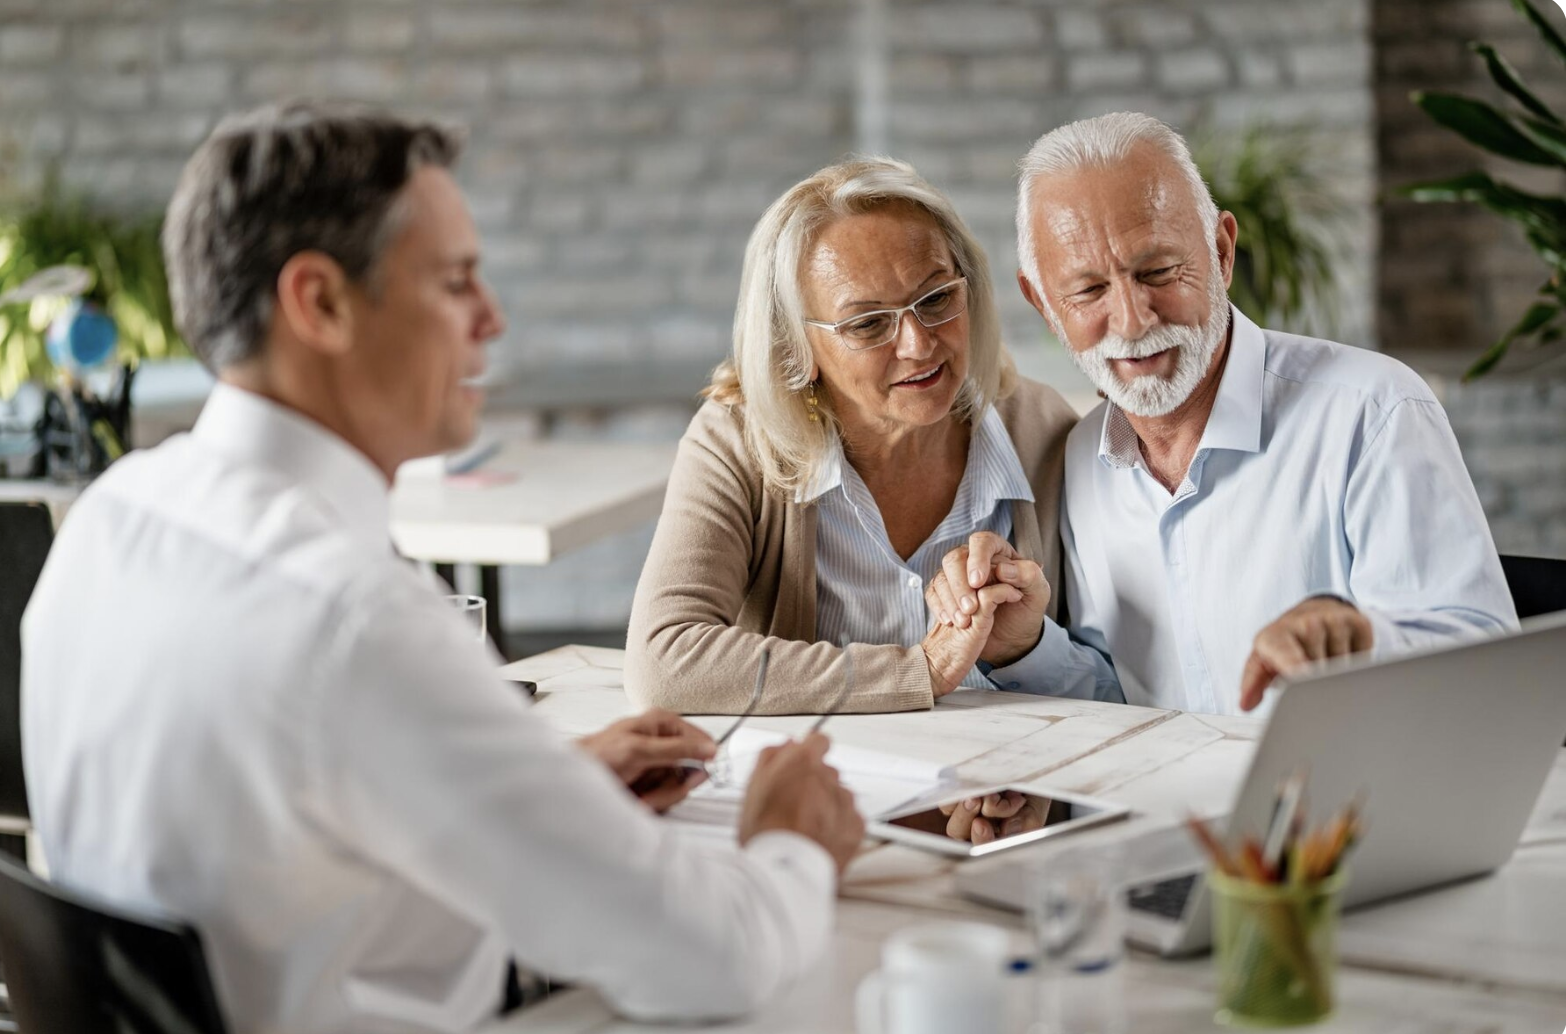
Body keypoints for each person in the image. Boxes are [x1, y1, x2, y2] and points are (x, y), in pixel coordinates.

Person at [21, 103, 863, 1034]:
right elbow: (716, 961)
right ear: (321, 304)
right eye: (457, 281)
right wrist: (792, 839)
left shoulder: (112, 516)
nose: (491, 319)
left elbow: (273, 823)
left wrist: (536, 785)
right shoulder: (356, 620)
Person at [926, 112, 1517, 717]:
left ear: (1221, 252)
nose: (1132, 321)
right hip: (1172, 810)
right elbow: (1126, 701)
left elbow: (1489, 670)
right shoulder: (1081, 458)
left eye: (1158, 271)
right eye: (1088, 292)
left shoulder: (1372, 411)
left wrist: (1361, 642)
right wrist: (1024, 646)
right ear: (1046, 307)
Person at [625, 157, 1088, 715]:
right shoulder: (738, 443)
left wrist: (1025, 649)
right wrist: (921, 669)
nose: (918, 345)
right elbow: (664, 662)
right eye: (868, 323)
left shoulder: (1045, 430)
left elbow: (1121, 680)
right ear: (796, 347)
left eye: (937, 299)